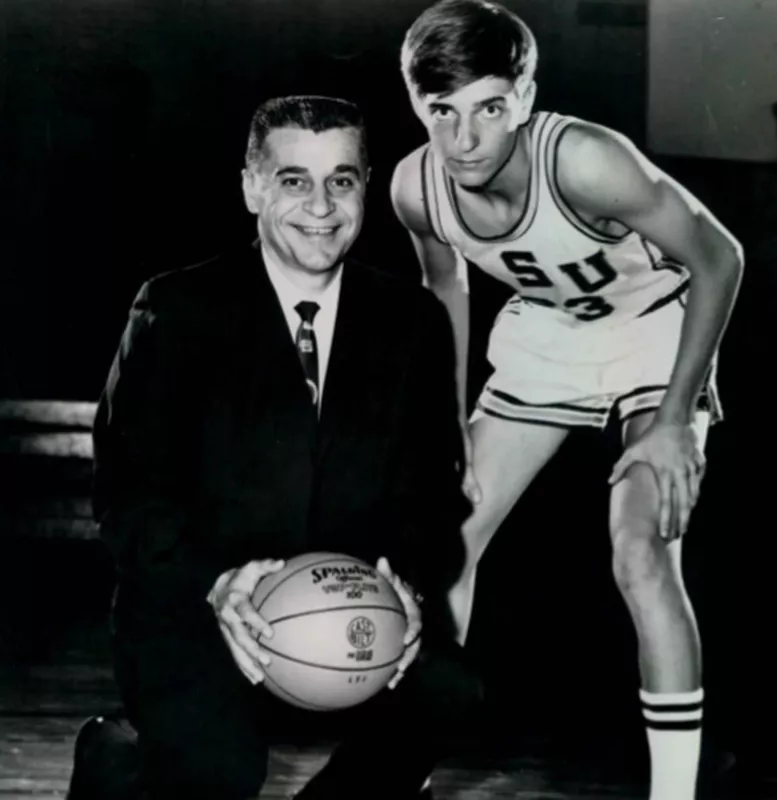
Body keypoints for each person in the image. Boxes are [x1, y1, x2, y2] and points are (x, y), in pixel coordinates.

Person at [66, 94, 481, 800]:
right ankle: (116, 765)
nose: (320, 205)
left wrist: (405, 586)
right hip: (199, 610)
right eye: (294, 180)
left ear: (366, 187)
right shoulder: (176, 310)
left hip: (345, 611)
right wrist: (216, 583)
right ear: (253, 187)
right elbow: (129, 496)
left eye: (341, 180)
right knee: (219, 770)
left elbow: (435, 499)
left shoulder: (411, 322)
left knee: (455, 692)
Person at [390, 2, 744, 799]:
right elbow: (442, 285)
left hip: (653, 329)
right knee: (442, 535)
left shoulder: (585, 160)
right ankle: (405, 762)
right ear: (416, 103)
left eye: (488, 107)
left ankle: (675, 793)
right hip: (546, 339)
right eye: (441, 111)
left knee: (639, 546)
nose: (465, 139)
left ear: (526, 94)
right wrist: (448, 428)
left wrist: (678, 421)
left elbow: (720, 258)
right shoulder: (415, 187)